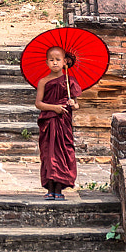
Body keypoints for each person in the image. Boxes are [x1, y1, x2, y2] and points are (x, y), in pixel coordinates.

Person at [34, 46, 80, 198]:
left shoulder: (70, 81)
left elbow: (76, 103)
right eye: (51, 60)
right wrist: (54, 108)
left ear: (65, 62)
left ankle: (59, 190)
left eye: (58, 60)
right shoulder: (43, 82)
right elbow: (39, 104)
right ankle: (50, 190)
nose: (55, 63)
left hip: (63, 123)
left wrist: (73, 104)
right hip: (49, 122)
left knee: (63, 153)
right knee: (49, 154)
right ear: (46, 62)